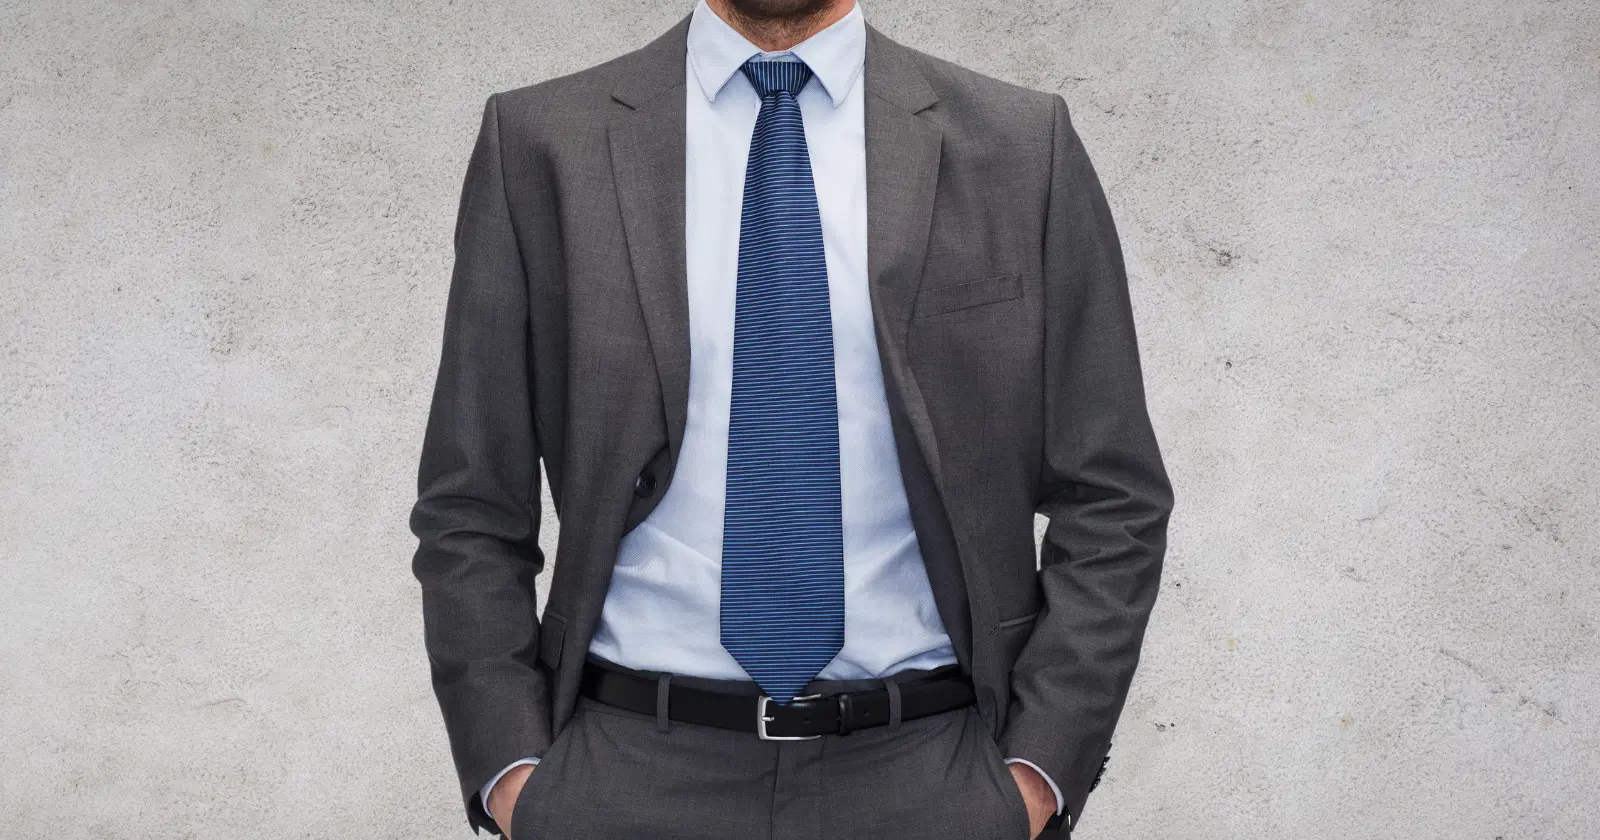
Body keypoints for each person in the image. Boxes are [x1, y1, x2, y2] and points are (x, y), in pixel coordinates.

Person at [409, 0, 1173, 837]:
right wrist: (514, 773)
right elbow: (470, 499)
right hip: (624, 777)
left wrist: (1038, 771)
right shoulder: (541, 141)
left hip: (927, 775)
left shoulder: (1022, 145)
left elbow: (1111, 492)